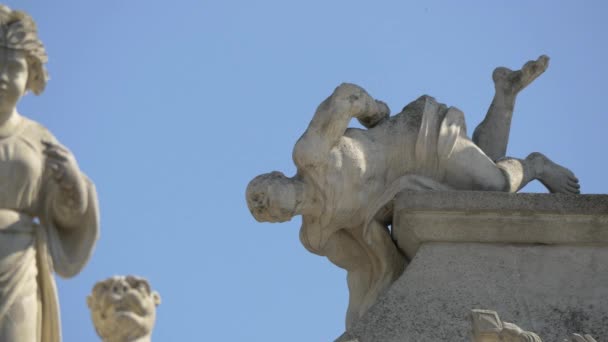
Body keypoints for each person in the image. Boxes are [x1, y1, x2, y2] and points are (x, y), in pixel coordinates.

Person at [246, 55, 579, 329]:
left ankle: (535, 165)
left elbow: (346, 96)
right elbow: (362, 274)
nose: (261, 204)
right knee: (484, 183)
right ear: (276, 222)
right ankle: (505, 93)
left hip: (417, 141)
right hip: (415, 187)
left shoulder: (310, 155)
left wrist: (375, 113)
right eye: (259, 210)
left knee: (497, 185)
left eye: (258, 192)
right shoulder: (319, 235)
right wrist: (359, 332)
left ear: (277, 175)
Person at [0, 6, 99, 342]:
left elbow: (66, 213)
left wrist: (72, 182)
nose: (1, 76)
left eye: (12, 67)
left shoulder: (37, 139)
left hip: (17, 261)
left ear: (30, 74)